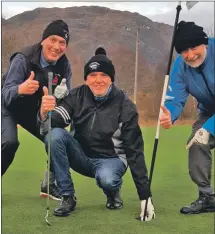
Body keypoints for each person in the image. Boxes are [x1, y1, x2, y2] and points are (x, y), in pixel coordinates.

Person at [38, 47, 155, 220]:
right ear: (86, 79)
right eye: (92, 75)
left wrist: (145, 196)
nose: (98, 80)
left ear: (111, 79)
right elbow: (52, 123)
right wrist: (44, 112)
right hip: (82, 157)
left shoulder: (125, 106)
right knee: (54, 136)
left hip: (111, 160)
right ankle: (67, 196)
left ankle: (112, 193)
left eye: (104, 76)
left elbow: (134, 151)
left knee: (107, 179)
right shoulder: (76, 95)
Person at [1, 19, 72, 201]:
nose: (57, 46)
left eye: (62, 42)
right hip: (8, 105)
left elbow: (65, 103)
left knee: (59, 139)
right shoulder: (22, 59)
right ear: (43, 41)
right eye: (53, 40)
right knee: (9, 142)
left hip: (34, 111)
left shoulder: (64, 66)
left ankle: (49, 184)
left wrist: (59, 99)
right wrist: (20, 89)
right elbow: (5, 94)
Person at [160, 21, 215, 214]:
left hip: (211, 119)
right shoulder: (180, 66)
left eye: (194, 47)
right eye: (184, 50)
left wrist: (209, 128)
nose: (190, 55)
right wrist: (170, 115)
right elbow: (175, 98)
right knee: (196, 142)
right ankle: (207, 197)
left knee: (204, 132)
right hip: (208, 110)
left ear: (205, 44)